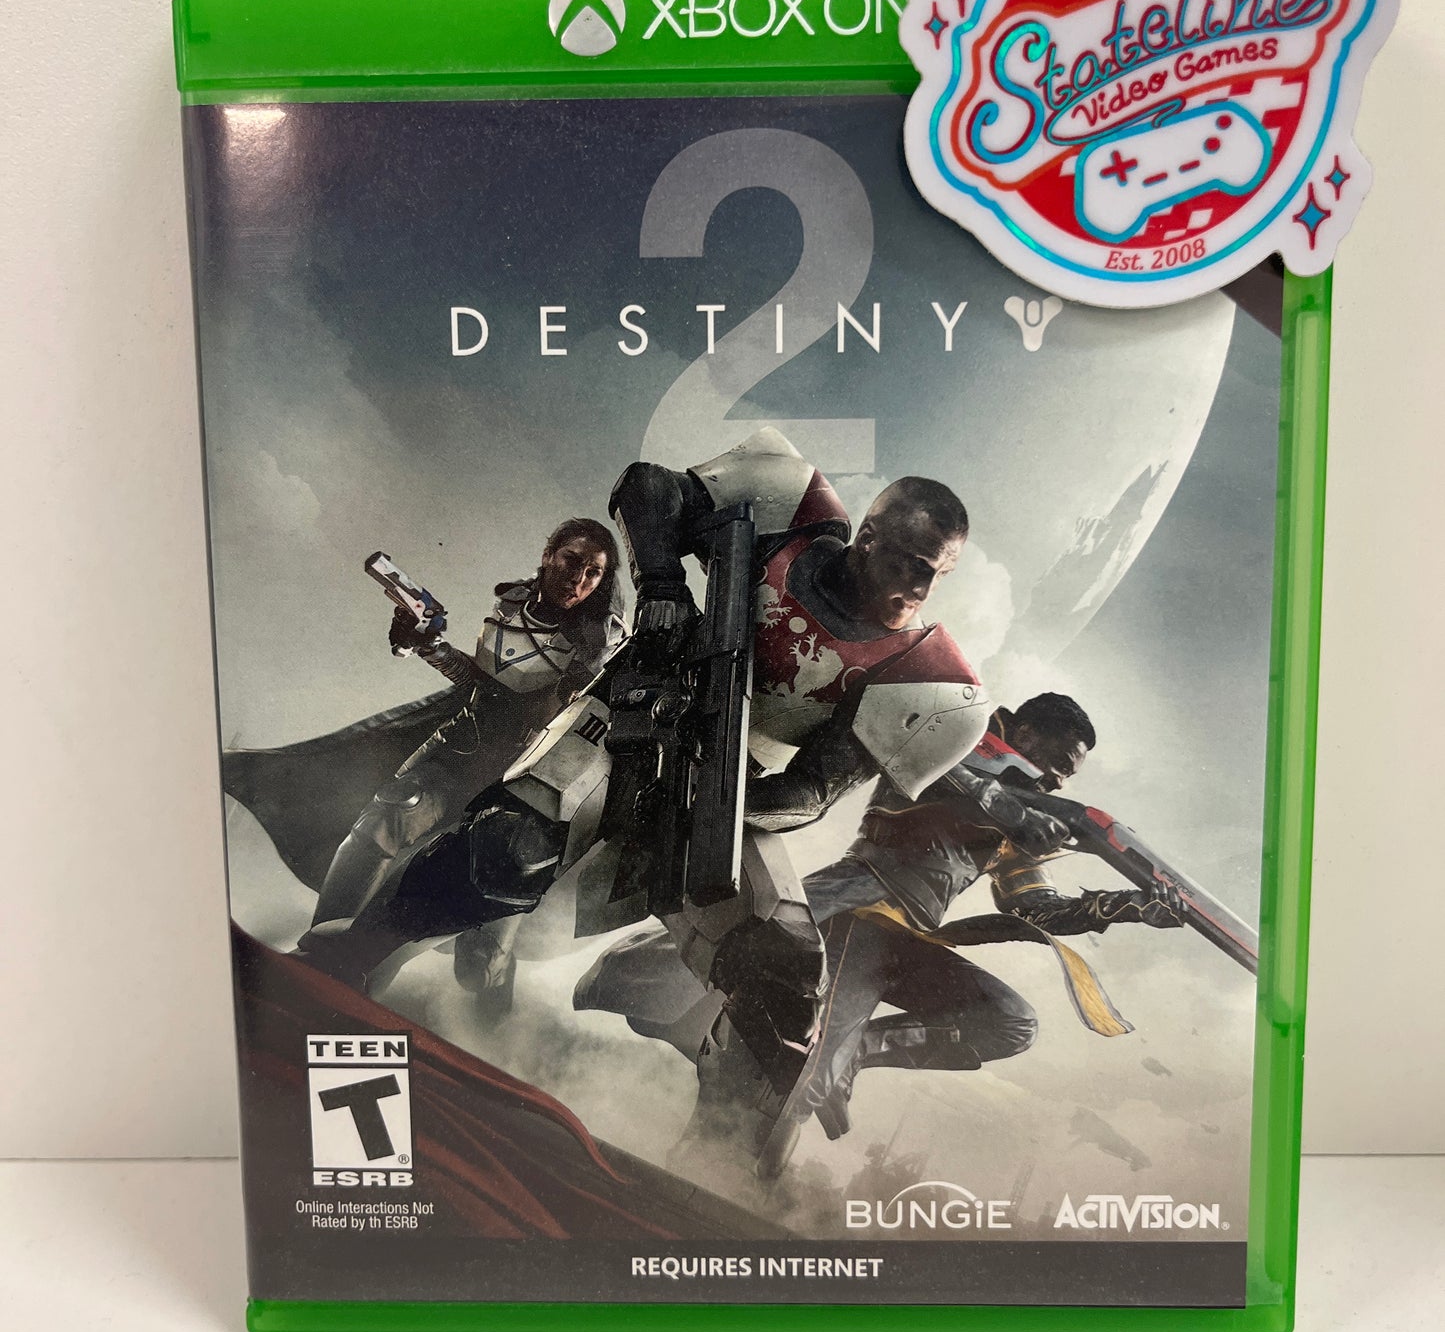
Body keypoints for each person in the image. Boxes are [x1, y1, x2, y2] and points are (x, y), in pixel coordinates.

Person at [299, 428, 994, 1160]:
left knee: (783, 969)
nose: (919, 588)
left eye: (936, 574)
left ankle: (718, 1161)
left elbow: (813, 789)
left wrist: (721, 806)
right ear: (868, 536)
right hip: (631, 710)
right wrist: (663, 586)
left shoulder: (919, 670)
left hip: (728, 788)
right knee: (506, 849)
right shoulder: (793, 509)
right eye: (909, 563)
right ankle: (352, 957)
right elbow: (649, 486)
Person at [576, 692, 1185, 1164]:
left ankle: (852, 1056)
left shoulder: (1024, 816)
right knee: (792, 1071)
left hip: (907, 941)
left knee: (1010, 1021)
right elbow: (935, 768)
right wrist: (1014, 808)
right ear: (1023, 734)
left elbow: (1036, 908)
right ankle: (709, 1169)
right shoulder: (956, 737)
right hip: (854, 912)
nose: (1057, 783)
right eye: (1056, 764)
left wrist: (1127, 906)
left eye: (1065, 778)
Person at [228, 519, 625, 1009]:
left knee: (476, 962)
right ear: (548, 556)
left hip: (523, 783)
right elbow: (479, 684)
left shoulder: (599, 640)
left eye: (593, 572)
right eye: (571, 561)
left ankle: (488, 978)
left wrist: (435, 651)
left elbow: (533, 714)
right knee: (387, 817)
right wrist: (425, 645)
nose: (579, 579)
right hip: (461, 749)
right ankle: (321, 957)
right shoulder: (512, 604)